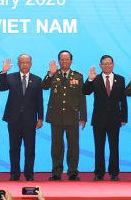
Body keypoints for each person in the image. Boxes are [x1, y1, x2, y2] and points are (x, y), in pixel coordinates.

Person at [41, 50, 87, 181]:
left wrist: (83, 117)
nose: (64, 62)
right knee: (57, 145)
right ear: (59, 61)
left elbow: (81, 98)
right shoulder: (53, 75)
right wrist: (50, 73)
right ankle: (56, 172)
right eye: (62, 59)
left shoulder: (78, 76)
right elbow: (43, 86)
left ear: (71, 61)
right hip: (56, 116)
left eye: (67, 59)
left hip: (72, 116)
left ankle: (73, 172)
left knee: (73, 145)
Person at [0, 54, 44, 181]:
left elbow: (40, 100)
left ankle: (29, 174)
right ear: (18, 64)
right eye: (22, 62)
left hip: (30, 119)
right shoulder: (10, 77)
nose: (24, 64)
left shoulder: (37, 79)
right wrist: (3, 72)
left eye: (27, 62)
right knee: (14, 148)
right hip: (14, 118)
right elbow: (1, 88)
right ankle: (14, 173)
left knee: (30, 148)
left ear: (31, 64)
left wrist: (40, 118)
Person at [82, 55, 127, 181]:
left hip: (114, 118)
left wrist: (124, 117)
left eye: (109, 63)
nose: (107, 66)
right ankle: (99, 172)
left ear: (113, 64)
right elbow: (85, 91)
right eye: (104, 64)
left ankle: (114, 172)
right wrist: (89, 80)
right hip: (98, 119)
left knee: (114, 146)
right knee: (99, 146)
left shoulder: (120, 79)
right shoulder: (94, 79)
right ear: (100, 65)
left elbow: (123, 99)